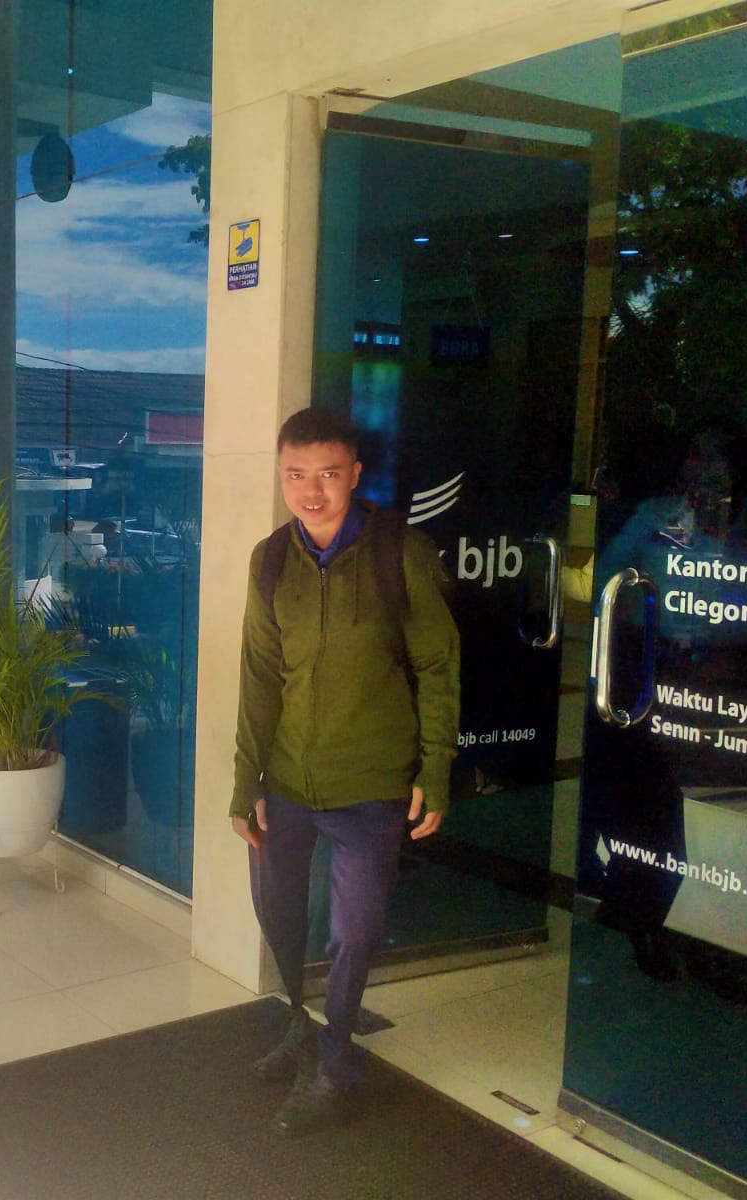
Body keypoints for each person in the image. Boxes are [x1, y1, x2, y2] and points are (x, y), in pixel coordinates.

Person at [232, 408, 460, 1137]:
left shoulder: (401, 553)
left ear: (355, 475)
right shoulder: (271, 559)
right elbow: (259, 674)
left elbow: (437, 666)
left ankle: (335, 1062)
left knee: (353, 932)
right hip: (285, 781)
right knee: (277, 910)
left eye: (328, 474)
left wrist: (437, 767)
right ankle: (298, 1023)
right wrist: (244, 780)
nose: (312, 491)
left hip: (371, 782)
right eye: (296, 475)